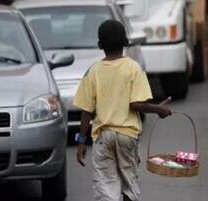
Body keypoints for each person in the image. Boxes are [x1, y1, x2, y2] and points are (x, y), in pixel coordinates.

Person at [73, 20, 172, 201]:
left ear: (99, 45)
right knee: (129, 183)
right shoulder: (133, 68)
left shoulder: (93, 71)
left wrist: (81, 141)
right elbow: (136, 105)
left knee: (105, 186)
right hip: (127, 135)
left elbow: (86, 110)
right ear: (125, 42)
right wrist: (158, 109)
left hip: (103, 137)